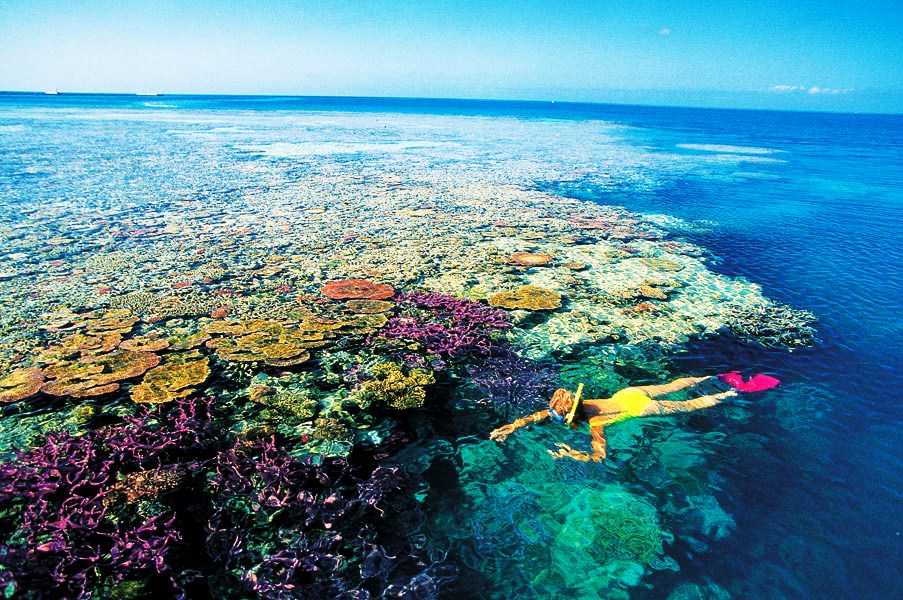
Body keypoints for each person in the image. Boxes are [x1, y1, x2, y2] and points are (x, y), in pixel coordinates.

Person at [489, 376, 738, 462]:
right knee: (672, 385)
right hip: (629, 393)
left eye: (558, 418)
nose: (551, 416)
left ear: (571, 416)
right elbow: (540, 415)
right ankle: (708, 378)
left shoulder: (596, 424)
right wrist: (512, 427)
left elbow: (600, 456)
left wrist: (571, 454)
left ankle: (729, 393)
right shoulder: (582, 405)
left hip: (642, 407)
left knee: (689, 405)